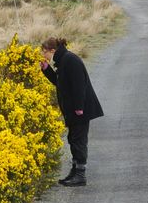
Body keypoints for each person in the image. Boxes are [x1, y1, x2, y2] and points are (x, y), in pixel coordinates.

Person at [40, 37, 103, 186]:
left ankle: (80, 175)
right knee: (73, 139)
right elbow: (60, 83)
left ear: (52, 50)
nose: (43, 55)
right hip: (74, 110)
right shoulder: (63, 61)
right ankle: (75, 171)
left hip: (80, 110)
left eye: (44, 52)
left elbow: (79, 85)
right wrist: (46, 69)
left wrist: (79, 107)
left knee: (79, 141)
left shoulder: (70, 60)